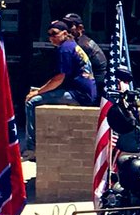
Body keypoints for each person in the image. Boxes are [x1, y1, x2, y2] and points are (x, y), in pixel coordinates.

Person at [23, 20, 98, 159]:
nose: (51, 37)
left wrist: (38, 92)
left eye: (54, 34)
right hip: (82, 92)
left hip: (79, 95)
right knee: (37, 91)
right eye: (49, 34)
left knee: (31, 101)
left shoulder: (65, 49)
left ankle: (31, 148)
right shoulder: (71, 45)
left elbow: (59, 78)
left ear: (65, 33)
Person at [61, 13, 108, 98]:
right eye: (64, 25)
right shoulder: (80, 41)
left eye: (69, 25)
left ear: (80, 28)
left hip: (91, 90)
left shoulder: (81, 45)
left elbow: (67, 72)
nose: (66, 29)